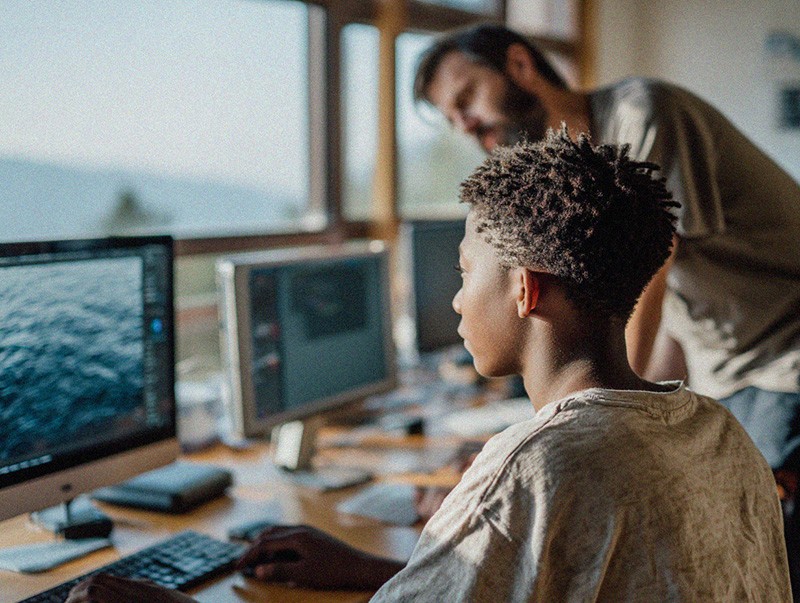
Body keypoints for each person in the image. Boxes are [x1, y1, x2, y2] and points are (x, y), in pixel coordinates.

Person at [67, 129, 791, 602]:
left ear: (523, 288)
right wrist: (374, 570)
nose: (452, 297)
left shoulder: (535, 465)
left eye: (464, 269)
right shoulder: (719, 430)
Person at [414, 21, 800, 572]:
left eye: (466, 97)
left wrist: (563, 435)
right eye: (453, 119)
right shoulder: (577, 176)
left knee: (757, 551)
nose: (467, 126)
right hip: (728, 362)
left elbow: (638, 296)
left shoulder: (641, 114)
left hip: (786, 352)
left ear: (520, 66)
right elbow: (643, 320)